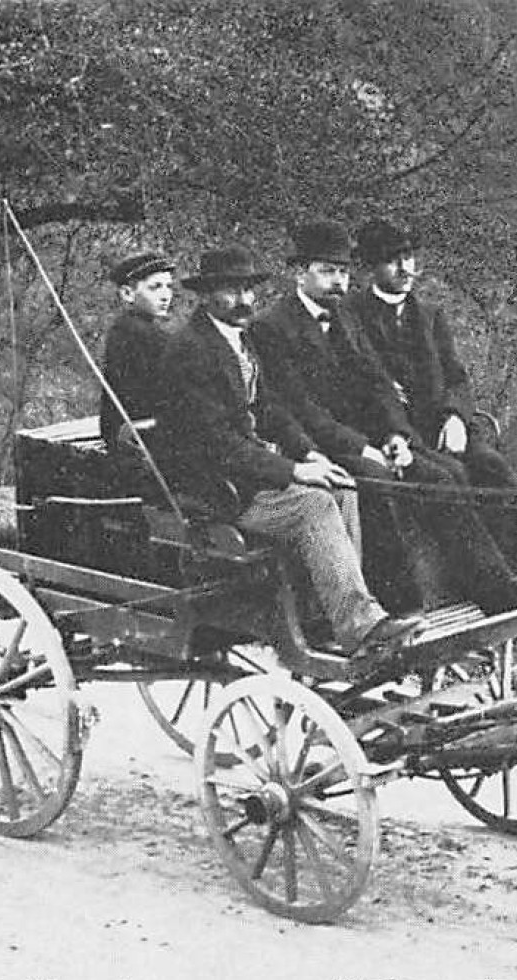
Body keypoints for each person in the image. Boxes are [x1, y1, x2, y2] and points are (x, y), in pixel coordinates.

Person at [252, 221, 517, 613]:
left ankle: (495, 584)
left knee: (446, 473)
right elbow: (299, 407)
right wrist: (363, 448)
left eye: (342, 271)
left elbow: (376, 384)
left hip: (369, 437)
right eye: (327, 271)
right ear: (299, 273)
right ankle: (406, 602)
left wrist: (395, 436)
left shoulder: (344, 317)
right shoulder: (271, 327)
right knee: (389, 480)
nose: (338, 281)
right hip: (319, 445)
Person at [152, 244, 421, 665]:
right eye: (230, 291)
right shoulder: (190, 351)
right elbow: (219, 444)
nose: (243, 300)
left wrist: (310, 455)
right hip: (213, 491)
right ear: (205, 296)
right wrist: (293, 471)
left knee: (344, 485)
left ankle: (339, 617)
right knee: (313, 505)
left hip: (247, 474)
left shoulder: (238, 339)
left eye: (247, 290)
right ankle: (357, 624)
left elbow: (269, 409)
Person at [346, 218, 517, 583]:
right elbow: (361, 385)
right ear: (370, 268)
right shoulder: (351, 315)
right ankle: (480, 579)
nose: (405, 269)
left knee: (492, 466)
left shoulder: (430, 315)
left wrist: (456, 417)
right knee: (453, 478)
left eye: (409, 258)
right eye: (392, 260)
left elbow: (457, 378)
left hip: (442, 428)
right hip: (394, 434)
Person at [98, 250, 176, 450]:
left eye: (169, 286)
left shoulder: (126, 327)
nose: (165, 295)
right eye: (155, 287)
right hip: (133, 432)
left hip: (129, 426)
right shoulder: (138, 333)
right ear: (127, 294)